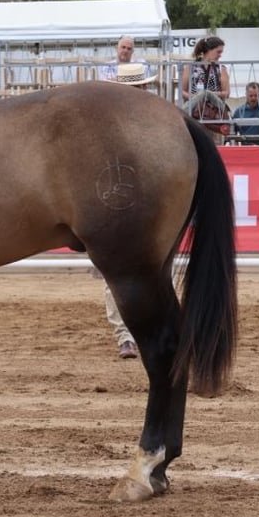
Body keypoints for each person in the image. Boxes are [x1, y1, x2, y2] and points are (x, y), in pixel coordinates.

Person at [101, 63, 160, 359]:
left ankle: (132, 335)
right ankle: (125, 335)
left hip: (138, 206)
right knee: (116, 273)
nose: (144, 92)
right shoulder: (111, 124)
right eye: (140, 88)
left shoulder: (150, 123)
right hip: (118, 206)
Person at [181, 36, 230, 140]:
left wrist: (208, 95)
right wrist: (196, 97)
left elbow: (227, 93)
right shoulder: (190, 67)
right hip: (195, 109)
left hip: (215, 108)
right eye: (218, 52)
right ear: (209, 50)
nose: (220, 56)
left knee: (204, 93)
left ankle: (181, 114)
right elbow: (182, 91)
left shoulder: (221, 69)